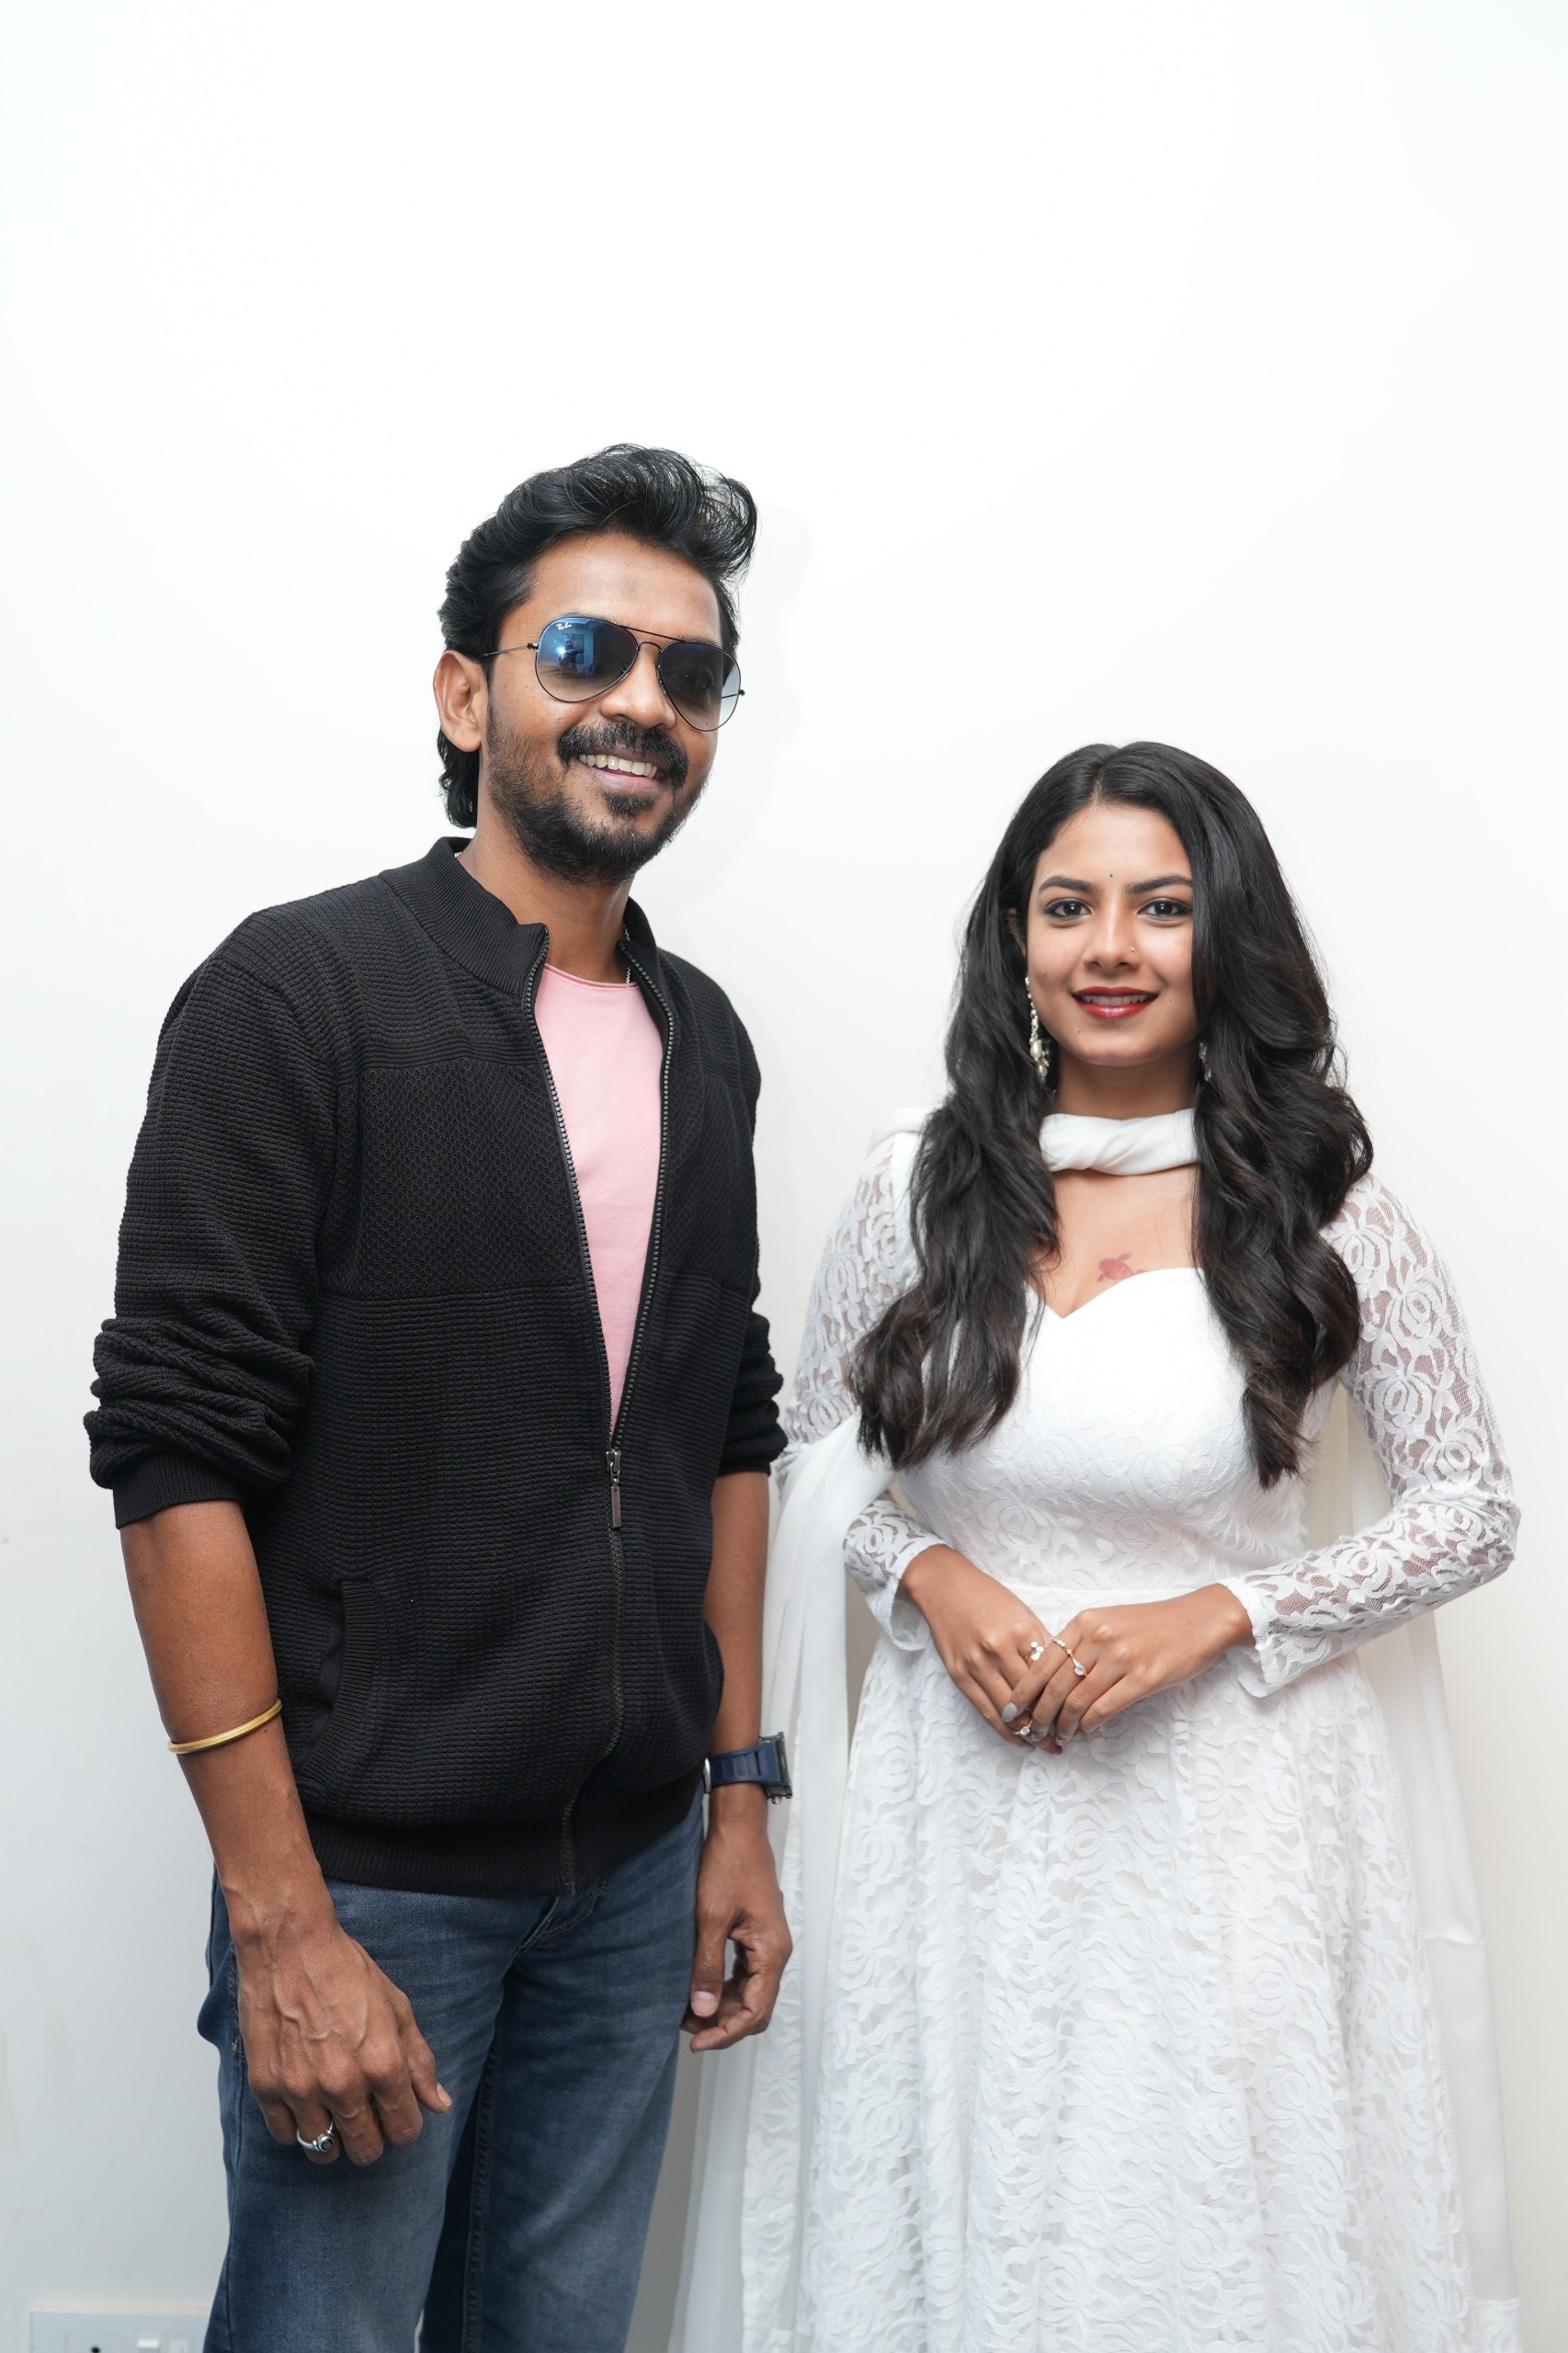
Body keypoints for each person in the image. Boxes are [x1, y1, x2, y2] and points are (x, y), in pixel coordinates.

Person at [676, 743, 1521, 2353]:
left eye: (1161, 908)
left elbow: (1469, 1506)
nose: (1109, 949)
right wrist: (929, 1579)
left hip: (1227, 1819)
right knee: (967, 2204)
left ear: (1227, 937)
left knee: (1197, 2223)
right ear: (1015, 939)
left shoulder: (1321, 1206)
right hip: (958, 1806)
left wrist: (1222, 1612)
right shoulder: (915, 1188)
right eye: (1067, 907)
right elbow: (800, 1451)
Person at [85, 443, 793, 2353]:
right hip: (371, 1889)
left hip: (633, 1875)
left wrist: (735, 1800)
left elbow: (727, 1426)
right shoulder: (297, 995)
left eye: (692, 671)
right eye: (584, 650)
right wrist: (280, 1917)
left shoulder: (704, 1039)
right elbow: (172, 1460)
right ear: (467, 693)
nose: (642, 700)